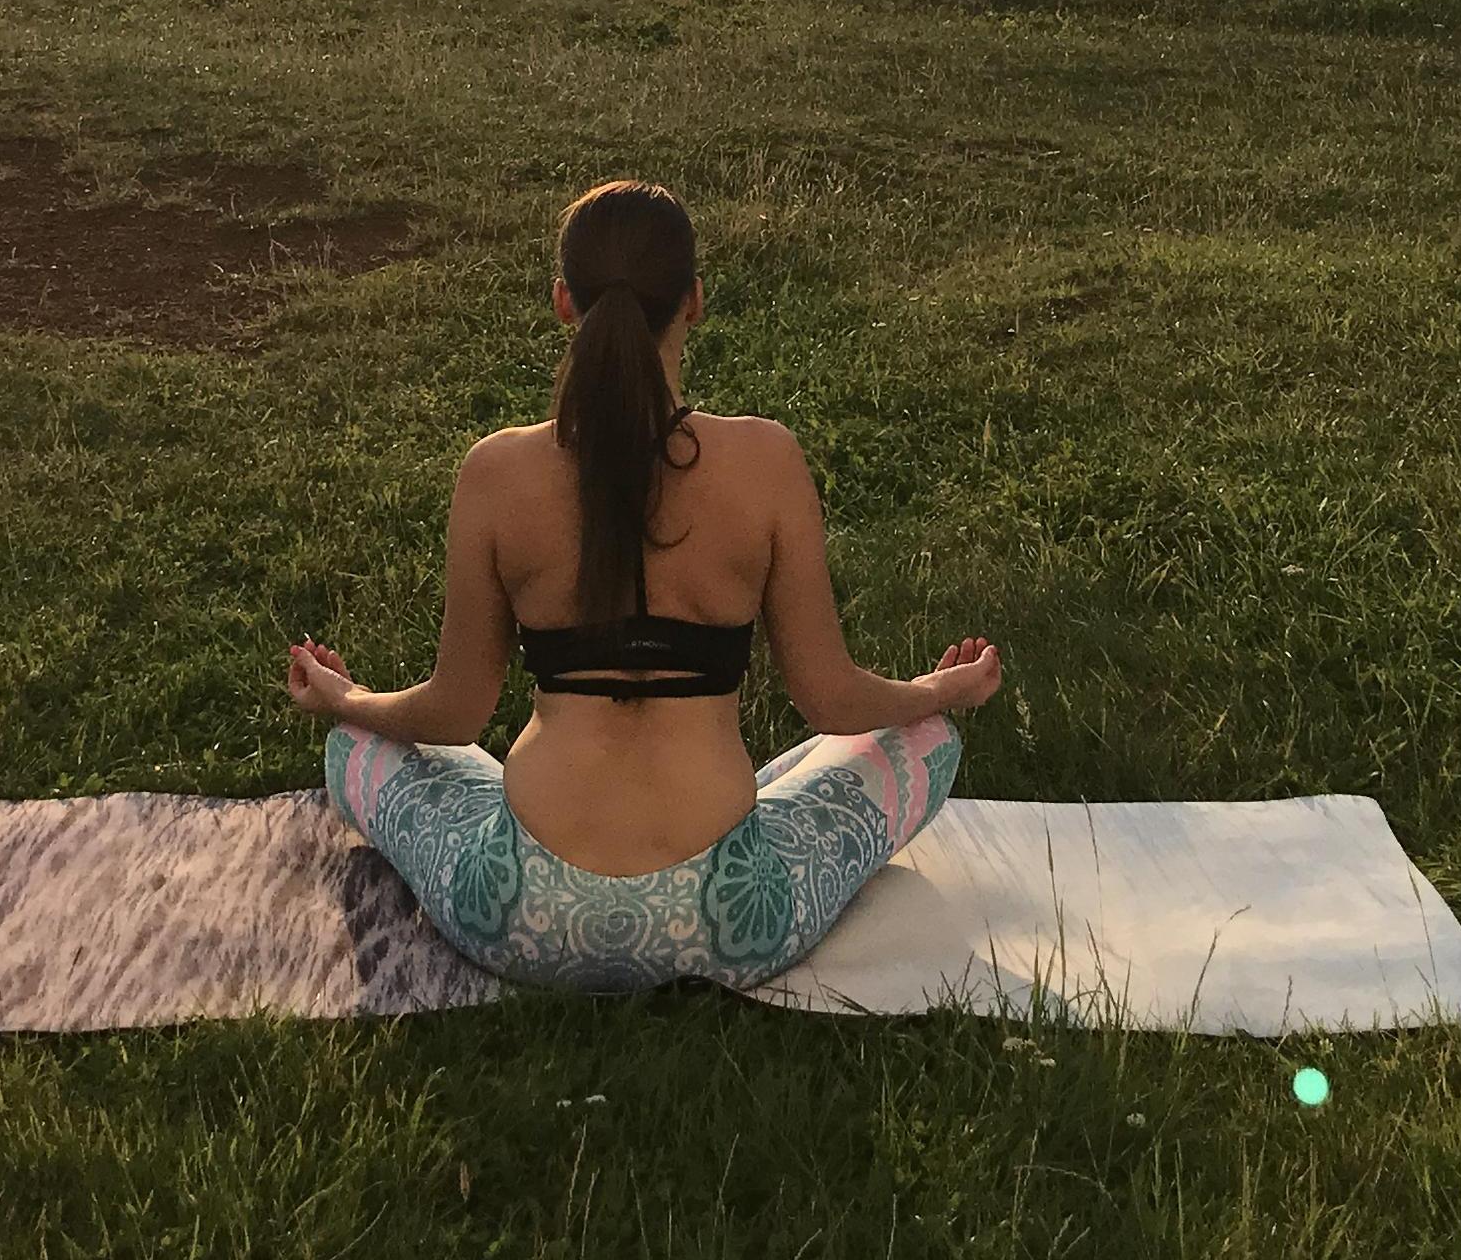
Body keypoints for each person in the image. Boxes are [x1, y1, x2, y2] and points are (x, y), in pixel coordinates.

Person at [280, 179, 1003, 992]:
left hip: (520, 914)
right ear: (693, 300)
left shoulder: (496, 473)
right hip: (728, 921)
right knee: (926, 738)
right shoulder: (766, 462)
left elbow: (454, 714)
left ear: (564, 301)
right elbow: (832, 699)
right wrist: (938, 689)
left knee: (356, 745)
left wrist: (347, 699)